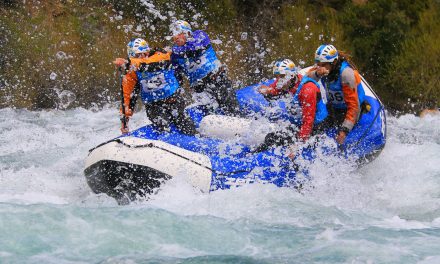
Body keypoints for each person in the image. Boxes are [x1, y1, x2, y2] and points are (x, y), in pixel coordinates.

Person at [116, 38, 196, 135]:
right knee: (162, 126)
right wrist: (124, 123)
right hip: (154, 106)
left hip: (174, 100)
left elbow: (150, 64)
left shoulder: (161, 56)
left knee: (185, 124)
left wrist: (130, 63)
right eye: (136, 56)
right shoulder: (132, 70)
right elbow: (127, 97)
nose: (140, 57)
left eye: (142, 54)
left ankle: (194, 136)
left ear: (147, 51)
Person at [256, 59, 328, 153]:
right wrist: (266, 90)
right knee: (271, 138)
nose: (278, 80)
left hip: (317, 127)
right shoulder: (288, 82)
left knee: (276, 140)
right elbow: (273, 89)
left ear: (291, 75)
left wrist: (298, 145)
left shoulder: (307, 90)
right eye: (277, 77)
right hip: (300, 124)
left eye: (281, 76)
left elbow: (308, 121)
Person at [169, 20, 240, 115]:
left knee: (231, 109)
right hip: (200, 89)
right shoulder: (175, 55)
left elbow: (194, 47)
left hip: (217, 79)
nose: (175, 37)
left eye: (178, 33)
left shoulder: (200, 35)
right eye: (173, 35)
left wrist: (173, 51)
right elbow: (177, 76)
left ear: (187, 33)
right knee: (210, 114)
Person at [309, 44, 367, 144]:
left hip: (351, 109)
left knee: (340, 137)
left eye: (323, 65)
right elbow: (308, 76)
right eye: (318, 64)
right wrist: (318, 74)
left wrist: (344, 131)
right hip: (334, 109)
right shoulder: (323, 67)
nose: (320, 67)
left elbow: (353, 107)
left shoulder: (346, 74)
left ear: (334, 62)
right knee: (314, 130)